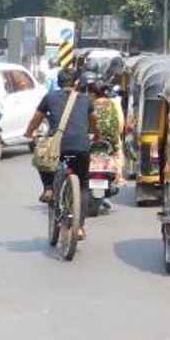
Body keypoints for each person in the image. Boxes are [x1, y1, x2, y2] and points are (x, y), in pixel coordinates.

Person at [24, 69, 100, 238]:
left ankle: (49, 188)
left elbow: (36, 118)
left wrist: (29, 133)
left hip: (57, 146)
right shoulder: (85, 99)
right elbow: (94, 121)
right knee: (84, 184)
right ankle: (79, 227)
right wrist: (97, 135)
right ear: (76, 83)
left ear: (58, 83)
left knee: (42, 157)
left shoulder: (50, 97)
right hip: (81, 147)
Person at [87, 79, 126, 188]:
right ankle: (119, 177)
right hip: (112, 140)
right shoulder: (114, 103)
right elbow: (121, 123)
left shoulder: (90, 105)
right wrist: (116, 135)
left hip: (94, 139)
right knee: (118, 154)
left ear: (93, 94)